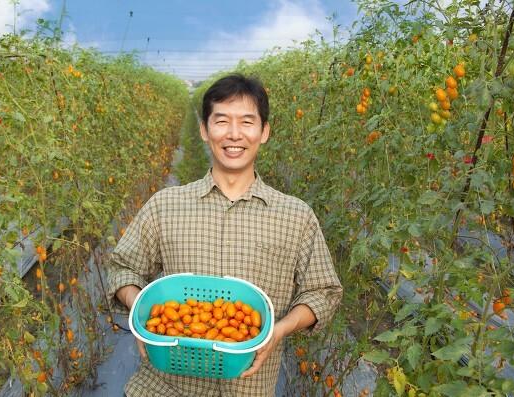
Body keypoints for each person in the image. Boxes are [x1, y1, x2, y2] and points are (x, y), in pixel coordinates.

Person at [107, 73, 342, 396]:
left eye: (247, 122)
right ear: (204, 130)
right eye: (222, 121)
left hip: (248, 388)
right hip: (163, 388)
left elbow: (323, 291)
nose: (234, 134)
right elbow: (122, 267)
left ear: (264, 132)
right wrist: (143, 313)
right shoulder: (165, 205)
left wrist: (280, 329)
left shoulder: (296, 216)